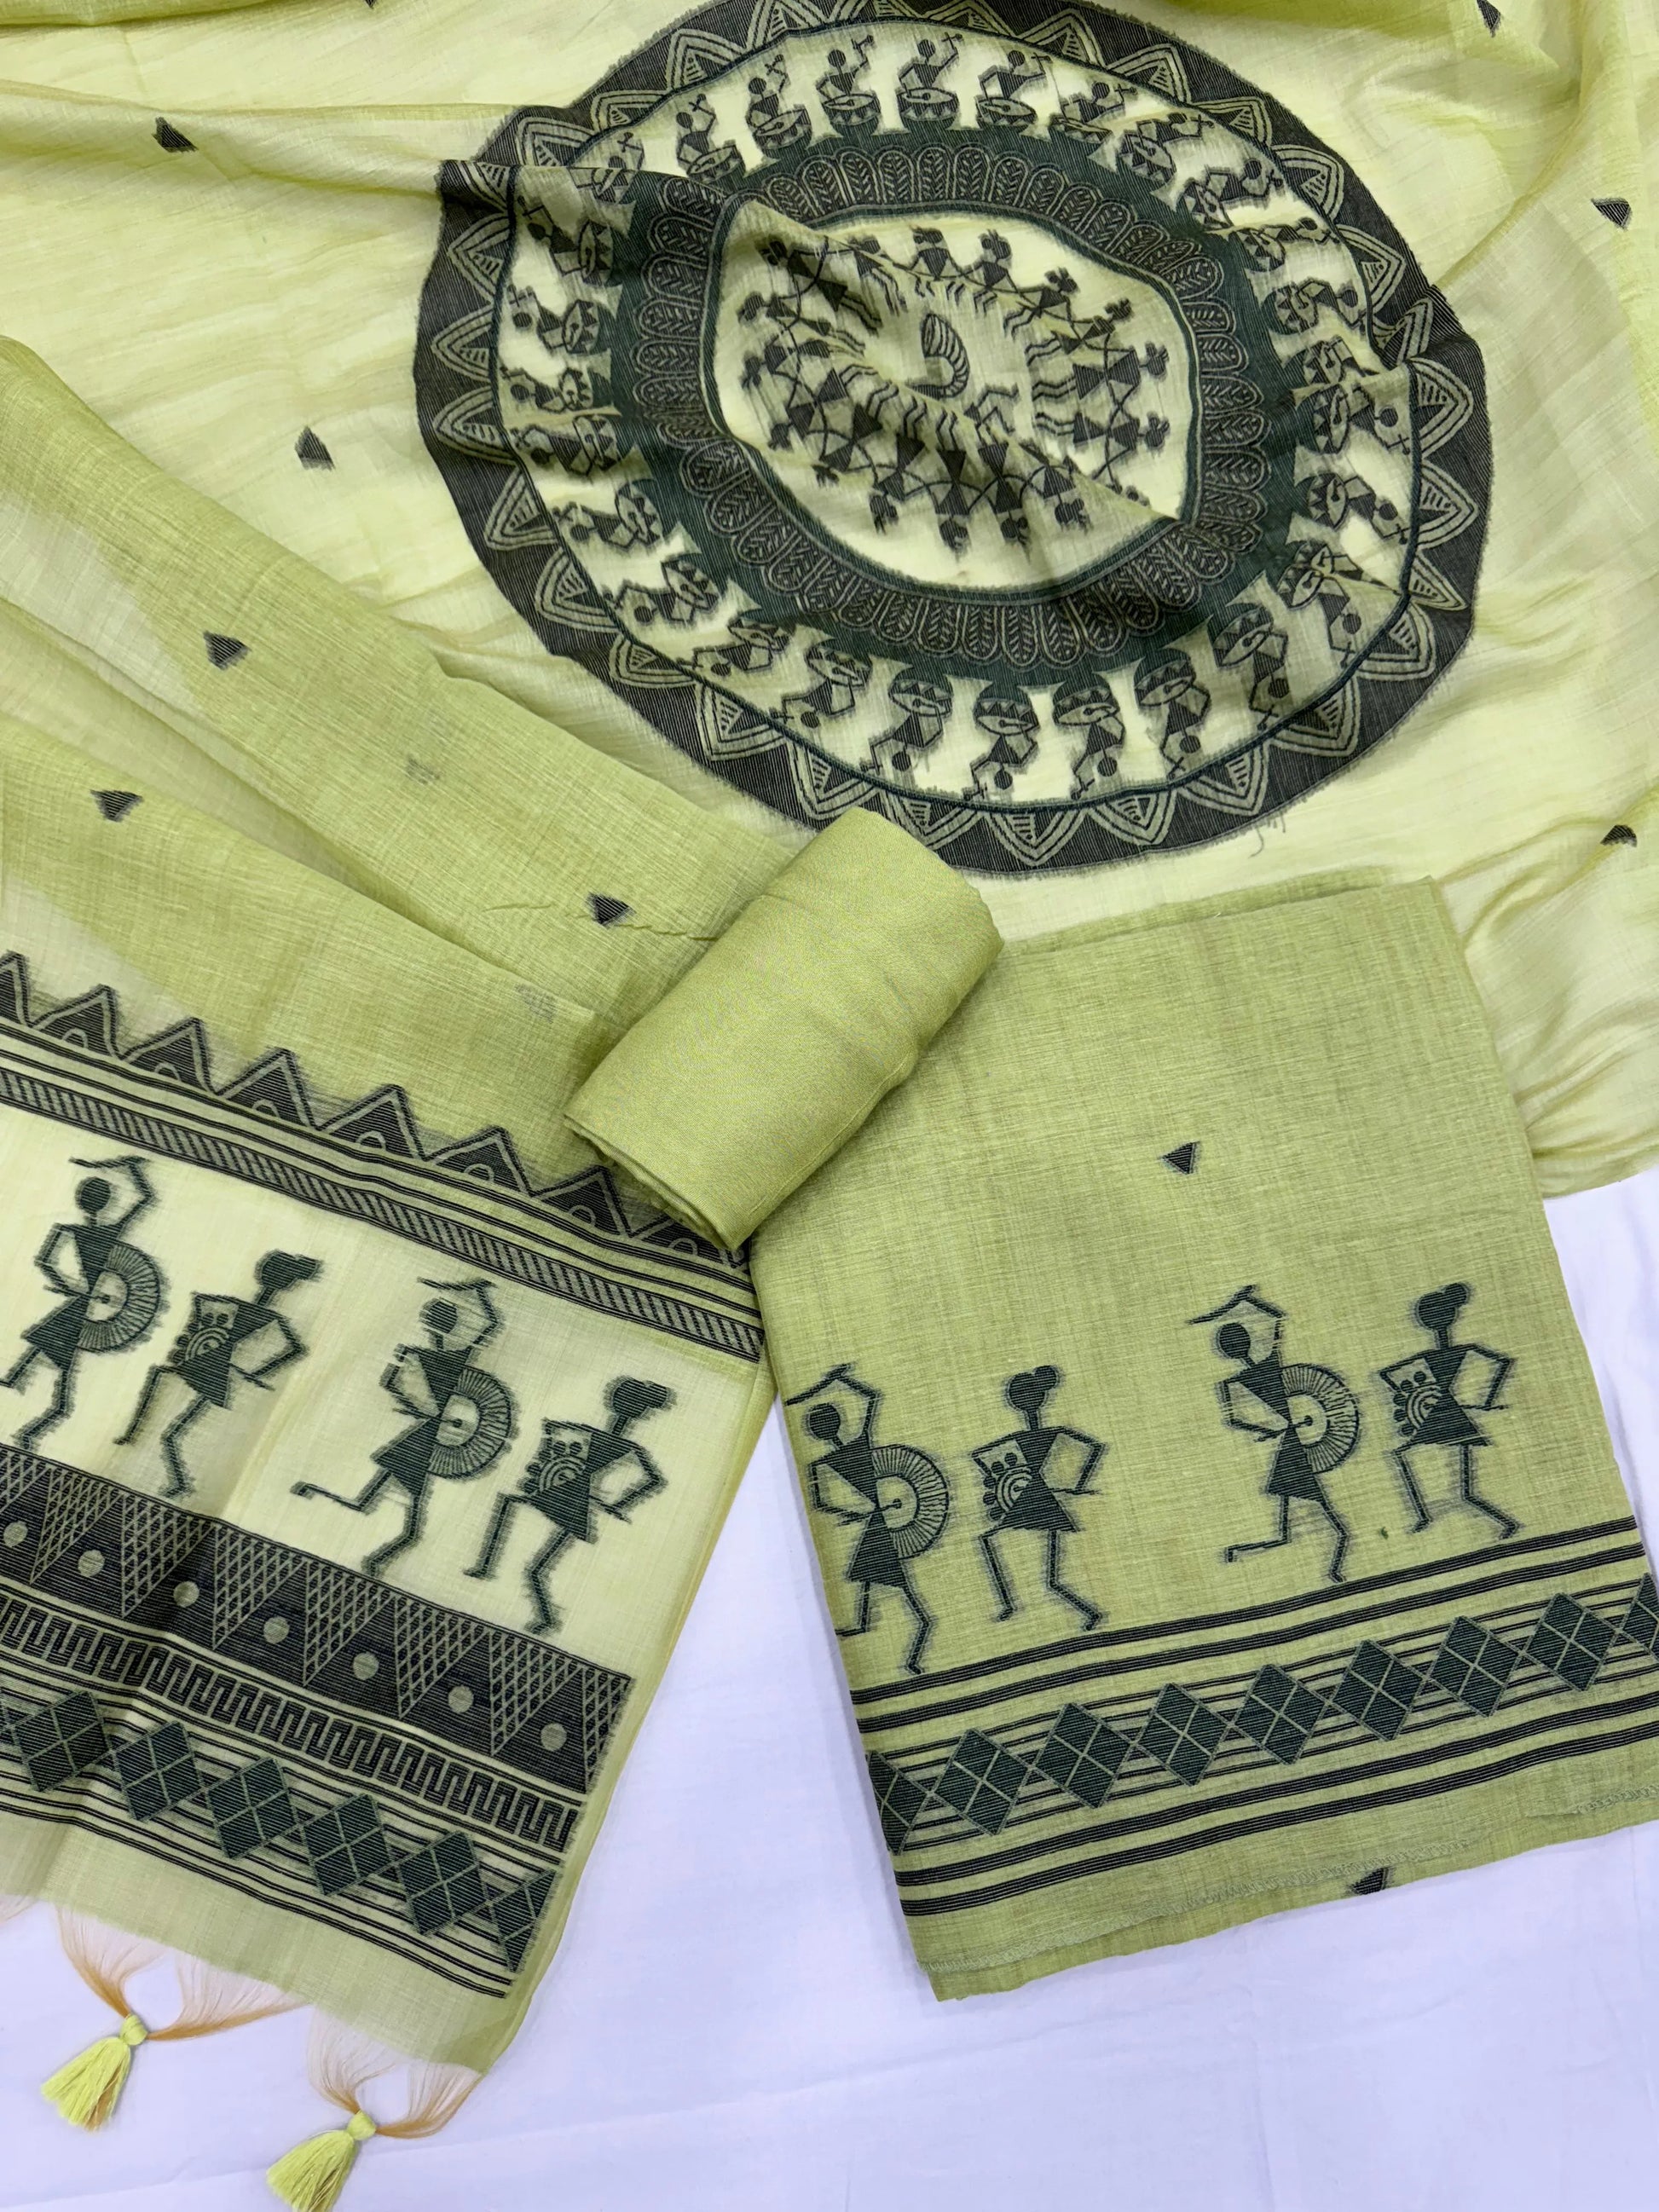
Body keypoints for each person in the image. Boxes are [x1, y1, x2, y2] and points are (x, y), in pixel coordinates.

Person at [292, 1279, 513, 1579]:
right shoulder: (452, 1358)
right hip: (423, 1445)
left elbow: (393, 1385)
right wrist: (479, 1294)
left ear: (430, 1326)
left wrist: (418, 1402)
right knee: (400, 1523)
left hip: (419, 1443)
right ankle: (376, 1560)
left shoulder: (422, 1357)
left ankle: (365, 1548)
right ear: (450, 1327)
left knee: (370, 1506)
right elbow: (491, 1324)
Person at [465, 1377, 672, 1634]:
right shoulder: (621, 1444)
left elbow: (655, 1480)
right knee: (530, 1554)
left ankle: (544, 1617)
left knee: (535, 1569)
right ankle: (487, 1569)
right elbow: (654, 1480)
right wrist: (618, 1504)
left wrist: (617, 1504)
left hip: (570, 1501)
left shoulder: (608, 1440)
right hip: (562, 1493)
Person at [115, 1250, 320, 1497]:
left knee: (170, 1433)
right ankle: (134, 1436)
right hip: (208, 1370)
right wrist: (256, 1372)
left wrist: (252, 1372)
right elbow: (295, 1349)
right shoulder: (265, 1316)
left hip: (210, 1373)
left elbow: (296, 1350)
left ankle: (177, 1480)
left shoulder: (223, 1304)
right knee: (165, 1403)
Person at [787, 1364, 949, 1675]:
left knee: (883, 1580)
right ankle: (868, 1626)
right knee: (869, 1577)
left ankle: (916, 1643)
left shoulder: (824, 1463)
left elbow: (821, 1501)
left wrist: (852, 1512)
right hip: (878, 1525)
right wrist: (843, 1380)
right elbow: (872, 1399)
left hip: (877, 1525)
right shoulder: (856, 1444)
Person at [1194, 1287, 1360, 1583]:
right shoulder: (1269, 1365)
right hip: (1293, 1454)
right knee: (1335, 1529)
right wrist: (1251, 1301)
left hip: (1288, 1451)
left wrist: (1269, 1430)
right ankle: (1334, 1570)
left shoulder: (1234, 1383)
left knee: (1285, 1532)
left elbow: (1234, 1419)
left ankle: (1237, 1552)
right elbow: (1278, 1322)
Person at [5, 1155, 160, 1450]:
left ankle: (26, 1434)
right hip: (79, 1316)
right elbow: (146, 1198)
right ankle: (27, 1435)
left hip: (75, 1311)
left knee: (22, 1373)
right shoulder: (109, 1232)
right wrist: (133, 1169)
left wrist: (70, 1287)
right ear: (106, 1202)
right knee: (57, 1400)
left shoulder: (70, 1230)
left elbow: (44, 1261)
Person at [1378, 1283, 1517, 1538]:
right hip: (1440, 1416)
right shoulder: (1459, 1353)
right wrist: (1482, 1400)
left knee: (1465, 1492)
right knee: (1407, 1458)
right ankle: (1423, 1515)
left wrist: (1476, 1400)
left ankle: (1505, 1523)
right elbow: (1501, 1363)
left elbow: (1388, 1374)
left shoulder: (1441, 1356)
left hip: (1448, 1419)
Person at [971, 1366, 1105, 1628]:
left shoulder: (1039, 1435)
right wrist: (1076, 1483)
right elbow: (1094, 1448)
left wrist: (1071, 1484)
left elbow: (980, 1456)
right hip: (1030, 1498)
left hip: (1040, 1502)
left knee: (1051, 1580)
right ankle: (1009, 1604)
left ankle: (1089, 1613)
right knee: (989, 1541)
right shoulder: (1043, 1434)